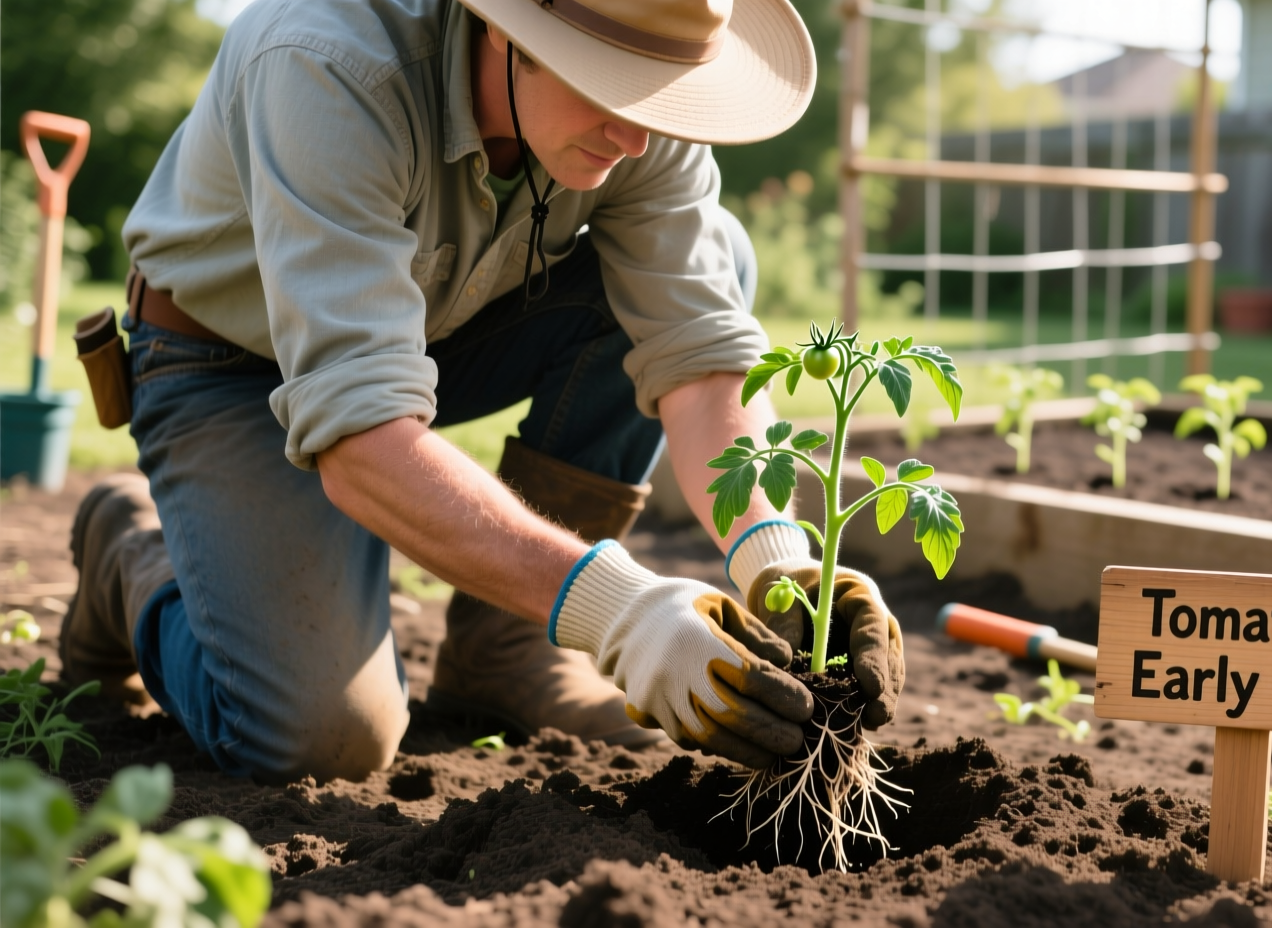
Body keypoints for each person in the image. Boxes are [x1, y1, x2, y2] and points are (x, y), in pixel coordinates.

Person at [61, 0, 904, 782]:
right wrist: (621, 611)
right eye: (610, 85)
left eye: (661, 95)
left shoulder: (646, 106)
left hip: (436, 334)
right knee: (320, 738)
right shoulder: (327, 63)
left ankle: (504, 654)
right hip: (230, 364)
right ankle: (129, 553)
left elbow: (700, 356)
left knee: (717, 256)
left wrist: (780, 560)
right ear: (508, 27)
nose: (637, 134)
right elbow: (362, 442)